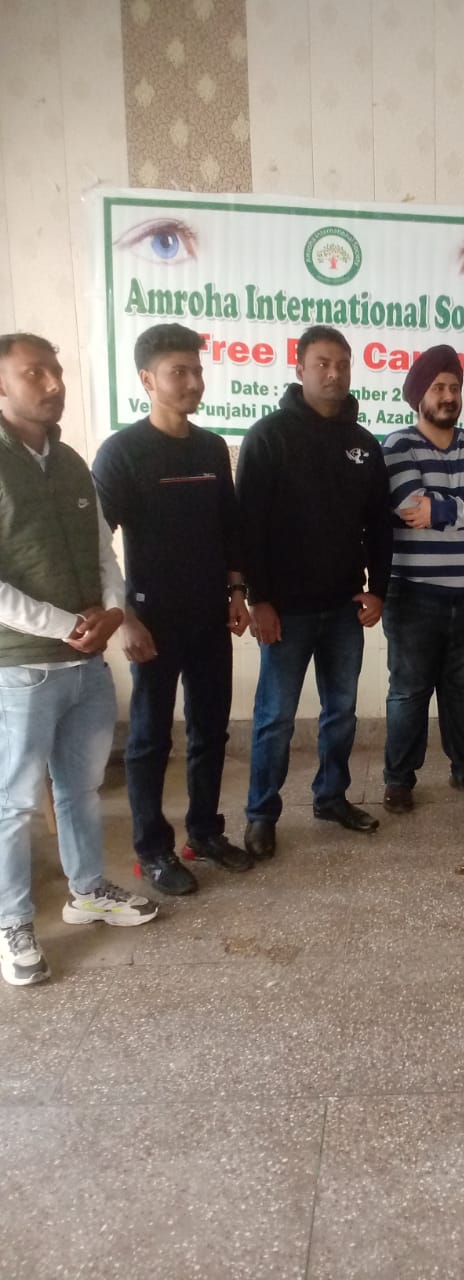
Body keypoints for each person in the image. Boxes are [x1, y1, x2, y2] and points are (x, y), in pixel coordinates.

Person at [0, 333, 158, 986]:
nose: (53, 383)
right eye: (33, 373)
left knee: (80, 790)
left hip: (87, 666)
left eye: (56, 371)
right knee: (14, 804)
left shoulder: (68, 461)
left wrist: (115, 610)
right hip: (22, 668)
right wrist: (68, 625)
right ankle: (13, 922)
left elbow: (101, 550)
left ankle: (88, 890)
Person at [93, 324, 253, 895]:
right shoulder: (122, 453)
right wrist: (123, 618)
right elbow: (97, 543)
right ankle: (153, 850)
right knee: (149, 740)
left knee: (210, 731)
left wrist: (237, 594)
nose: (193, 382)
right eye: (178, 372)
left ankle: (204, 833)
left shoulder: (210, 449)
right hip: (151, 620)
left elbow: (229, 529)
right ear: (147, 379)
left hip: (210, 616)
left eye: (197, 370)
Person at [236, 325, 392, 856]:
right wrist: (259, 598)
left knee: (341, 712)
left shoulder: (363, 445)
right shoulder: (269, 436)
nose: (334, 373)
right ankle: (261, 814)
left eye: (342, 364)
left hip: (344, 608)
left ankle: (331, 797)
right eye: (323, 363)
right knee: (275, 718)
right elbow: (249, 525)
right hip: (285, 611)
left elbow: (380, 525)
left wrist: (378, 589)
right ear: (299, 368)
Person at [381, 344, 464, 812]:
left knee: (463, 691)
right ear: (419, 395)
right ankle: (399, 779)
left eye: (454, 387)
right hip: (414, 594)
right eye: (438, 387)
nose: (448, 396)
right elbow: (409, 506)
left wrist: (439, 511)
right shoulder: (397, 446)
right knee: (408, 691)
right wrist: (463, 510)